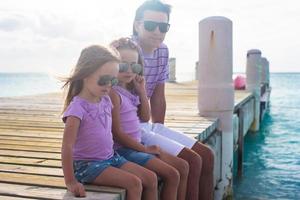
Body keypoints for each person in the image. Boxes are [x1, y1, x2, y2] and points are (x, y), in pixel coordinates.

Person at [131, 1, 215, 199]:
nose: (157, 32)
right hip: (128, 128)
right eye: (150, 25)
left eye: (164, 27)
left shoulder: (163, 50)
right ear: (137, 25)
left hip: (147, 125)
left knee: (208, 156)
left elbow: (158, 96)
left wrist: (159, 133)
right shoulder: (127, 52)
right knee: (192, 161)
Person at [61, 44, 158, 199]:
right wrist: (71, 181)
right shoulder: (77, 109)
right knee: (134, 183)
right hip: (87, 165)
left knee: (151, 178)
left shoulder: (106, 100)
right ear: (85, 74)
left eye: (113, 80)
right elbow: (67, 146)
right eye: (104, 80)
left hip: (111, 157)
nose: (108, 85)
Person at [109, 37, 188, 200]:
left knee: (182, 166)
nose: (129, 71)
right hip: (123, 149)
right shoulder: (113, 93)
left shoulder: (129, 91)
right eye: (123, 65)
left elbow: (144, 117)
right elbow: (117, 133)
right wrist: (143, 149)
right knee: (172, 174)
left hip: (136, 144)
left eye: (135, 66)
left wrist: (142, 92)